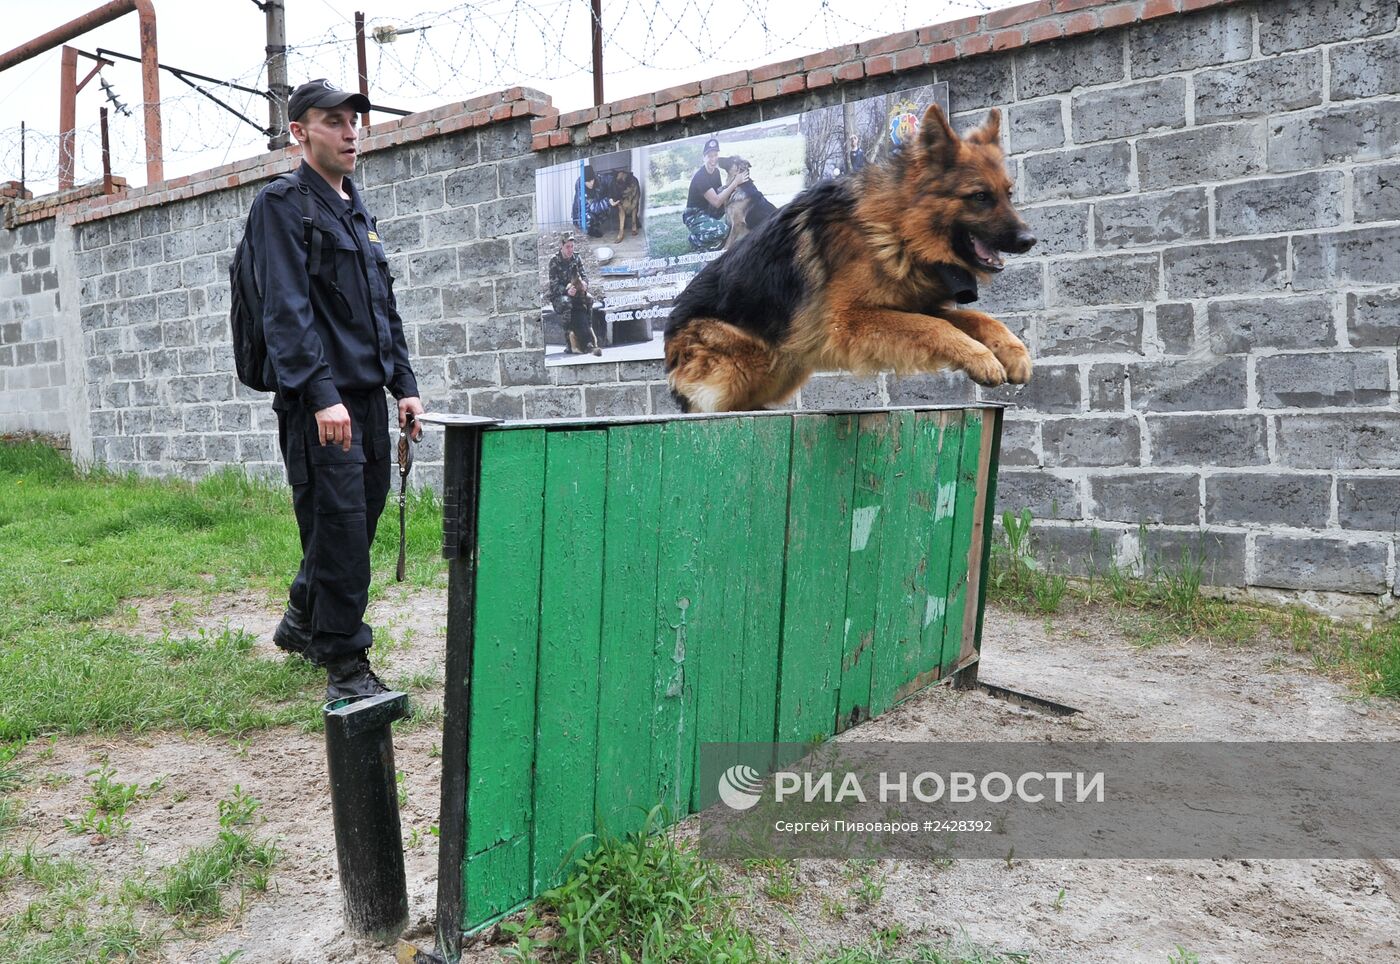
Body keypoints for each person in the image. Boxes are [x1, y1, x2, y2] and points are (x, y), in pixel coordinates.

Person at [244, 78, 424, 701]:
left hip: (368, 400)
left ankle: (300, 621)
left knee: (355, 521)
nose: (351, 131)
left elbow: (384, 305)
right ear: (299, 132)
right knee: (341, 528)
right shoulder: (281, 204)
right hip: (321, 404)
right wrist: (321, 396)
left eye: (355, 120)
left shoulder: (356, 208)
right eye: (333, 120)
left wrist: (404, 384)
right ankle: (346, 669)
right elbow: (285, 312)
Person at [683, 137, 748, 251]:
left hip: (708, 210)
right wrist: (735, 183)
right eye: (709, 156)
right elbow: (717, 202)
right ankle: (695, 239)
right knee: (723, 230)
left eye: (715, 155)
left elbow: (720, 193)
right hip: (694, 215)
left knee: (729, 207)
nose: (713, 159)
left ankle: (708, 226)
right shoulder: (700, 177)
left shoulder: (716, 172)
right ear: (704, 157)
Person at [547, 235, 603, 356]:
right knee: (567, 301)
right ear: (561, 246)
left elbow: (584, 276)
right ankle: (569, 342)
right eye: (567, 247)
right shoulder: (554, 261)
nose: (570, 249)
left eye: (572, 246)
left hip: (576, 294)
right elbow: (553, 287)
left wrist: (584, 284)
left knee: (589, 299)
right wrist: (566, 291)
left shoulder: (576, 257)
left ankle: (588, 336)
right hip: (560, 297)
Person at [571, 165, 619, 238]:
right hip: (580, 215)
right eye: (588, 181)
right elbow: (593, 207)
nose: (591, 183)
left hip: (594, 206)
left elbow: (608, 179)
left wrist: (616, 180)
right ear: (583, 181)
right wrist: (608, 202)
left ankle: (595, 225)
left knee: (605, 210)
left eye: (592, 180)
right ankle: (589, 230)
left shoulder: (598, 179)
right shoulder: (581, 189)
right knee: (588, 217)